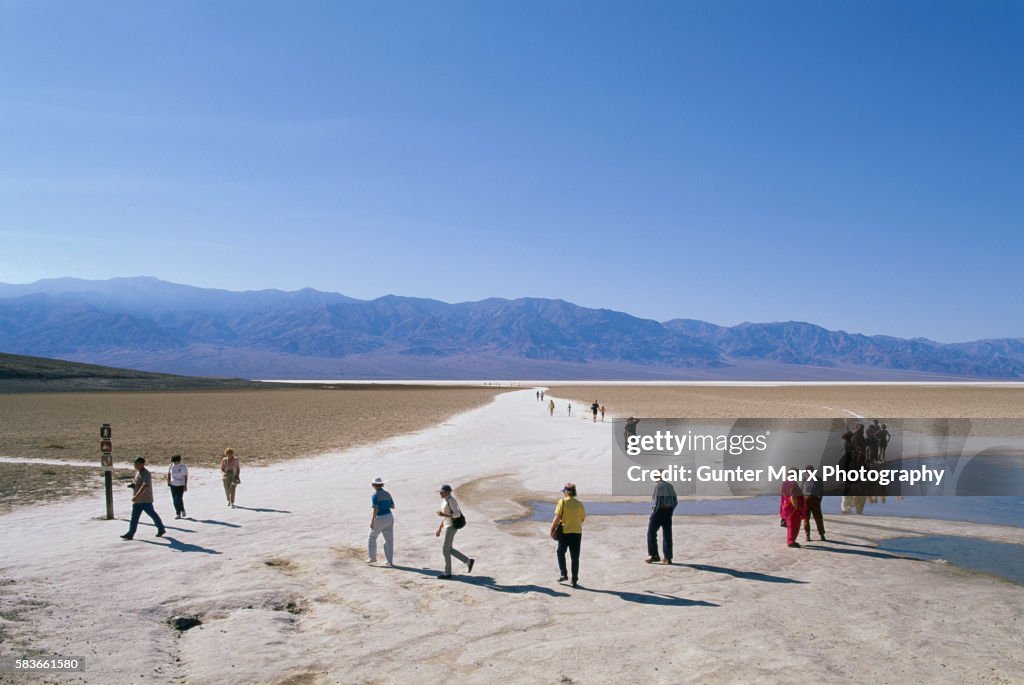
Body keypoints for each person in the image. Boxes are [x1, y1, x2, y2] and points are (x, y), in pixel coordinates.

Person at [550, 482, 585, 587]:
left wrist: (552, 529)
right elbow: (582, 519)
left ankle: (563, 574)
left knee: (560, 552)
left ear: (566, 492)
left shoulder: (562, 502)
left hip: (565, 533)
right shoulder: (579, 504)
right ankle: (574, 579)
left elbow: (557, 518)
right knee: (575, 557)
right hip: (577, 533)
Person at [121, 457, 166, 540]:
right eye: (135, 464)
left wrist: (136, 496)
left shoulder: (146, 473)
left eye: (137, 464)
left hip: (145, 500)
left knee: (152, 515)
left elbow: (145, 485)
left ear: (142, 464)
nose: (135, 465)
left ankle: (161, 528)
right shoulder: (138, 473)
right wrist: (133, 486)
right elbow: (138, 483)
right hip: (138, 501)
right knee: (134, 518)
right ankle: (130, 533)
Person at [435, 484, 474, 579]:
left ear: (448, 492)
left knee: (445, 550)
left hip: (452, 526)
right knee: (449, 549)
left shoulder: (451, 500)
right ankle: (468, 561)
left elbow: (457, 514)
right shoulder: (444, 501)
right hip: (447, 525)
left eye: (442, 492)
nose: (440, 493)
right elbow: (445, 516)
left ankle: (447, 573)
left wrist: (443, 514)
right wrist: (440, 528)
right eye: (440, 492)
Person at [646, 479, 677, 564]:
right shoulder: (670, 486)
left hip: (659, 512)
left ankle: (654, 555)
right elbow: (675, 501)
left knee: (651, 533)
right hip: (668, 511)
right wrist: (670, 511)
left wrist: (653, 513)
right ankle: (668, 558)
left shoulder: (658, 487)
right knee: (667, 535)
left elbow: (656, 502)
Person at [367, 477, 395, 566]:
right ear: (382, 484)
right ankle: (389, 561)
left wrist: (372, 521)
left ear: (373, 485)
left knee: (372, 537)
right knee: (389, 540)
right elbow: (393, 506)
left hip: (380, 517)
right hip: (389, 516)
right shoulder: (387, 493)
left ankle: (372, 557)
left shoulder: (375, 495)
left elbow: (375, 508)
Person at [780, 473, 807, 548]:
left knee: (790, 525)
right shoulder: (793, 484)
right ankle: (791, 542)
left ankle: (790, 540)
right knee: (794, 525)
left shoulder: (785, 483)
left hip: (786, 507)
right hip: (792, 509)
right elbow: (793, 497)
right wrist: (797, 507)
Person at [802, 464, 826, 542]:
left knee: (806, 518)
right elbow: (822, 491)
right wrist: (820, 500)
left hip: (806, 498)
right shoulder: (818, 479)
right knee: (818, 518)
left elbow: (801, 490)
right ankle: (822, 535)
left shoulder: (805, 479)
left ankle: (807, 535)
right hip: (815, 499)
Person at [166, 454, 188, 519]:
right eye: (174, 461)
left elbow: (186, 476)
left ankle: (182, 510)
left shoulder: (183, 467)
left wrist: (185, 485)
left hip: (181, 484)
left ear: (179, 461)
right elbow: (169, 473)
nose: (175, 463)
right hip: (173, 485)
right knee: (174, 500)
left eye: (176, 461)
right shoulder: (171, 466)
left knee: (178, 499)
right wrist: (168, 481)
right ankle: (178, 513)